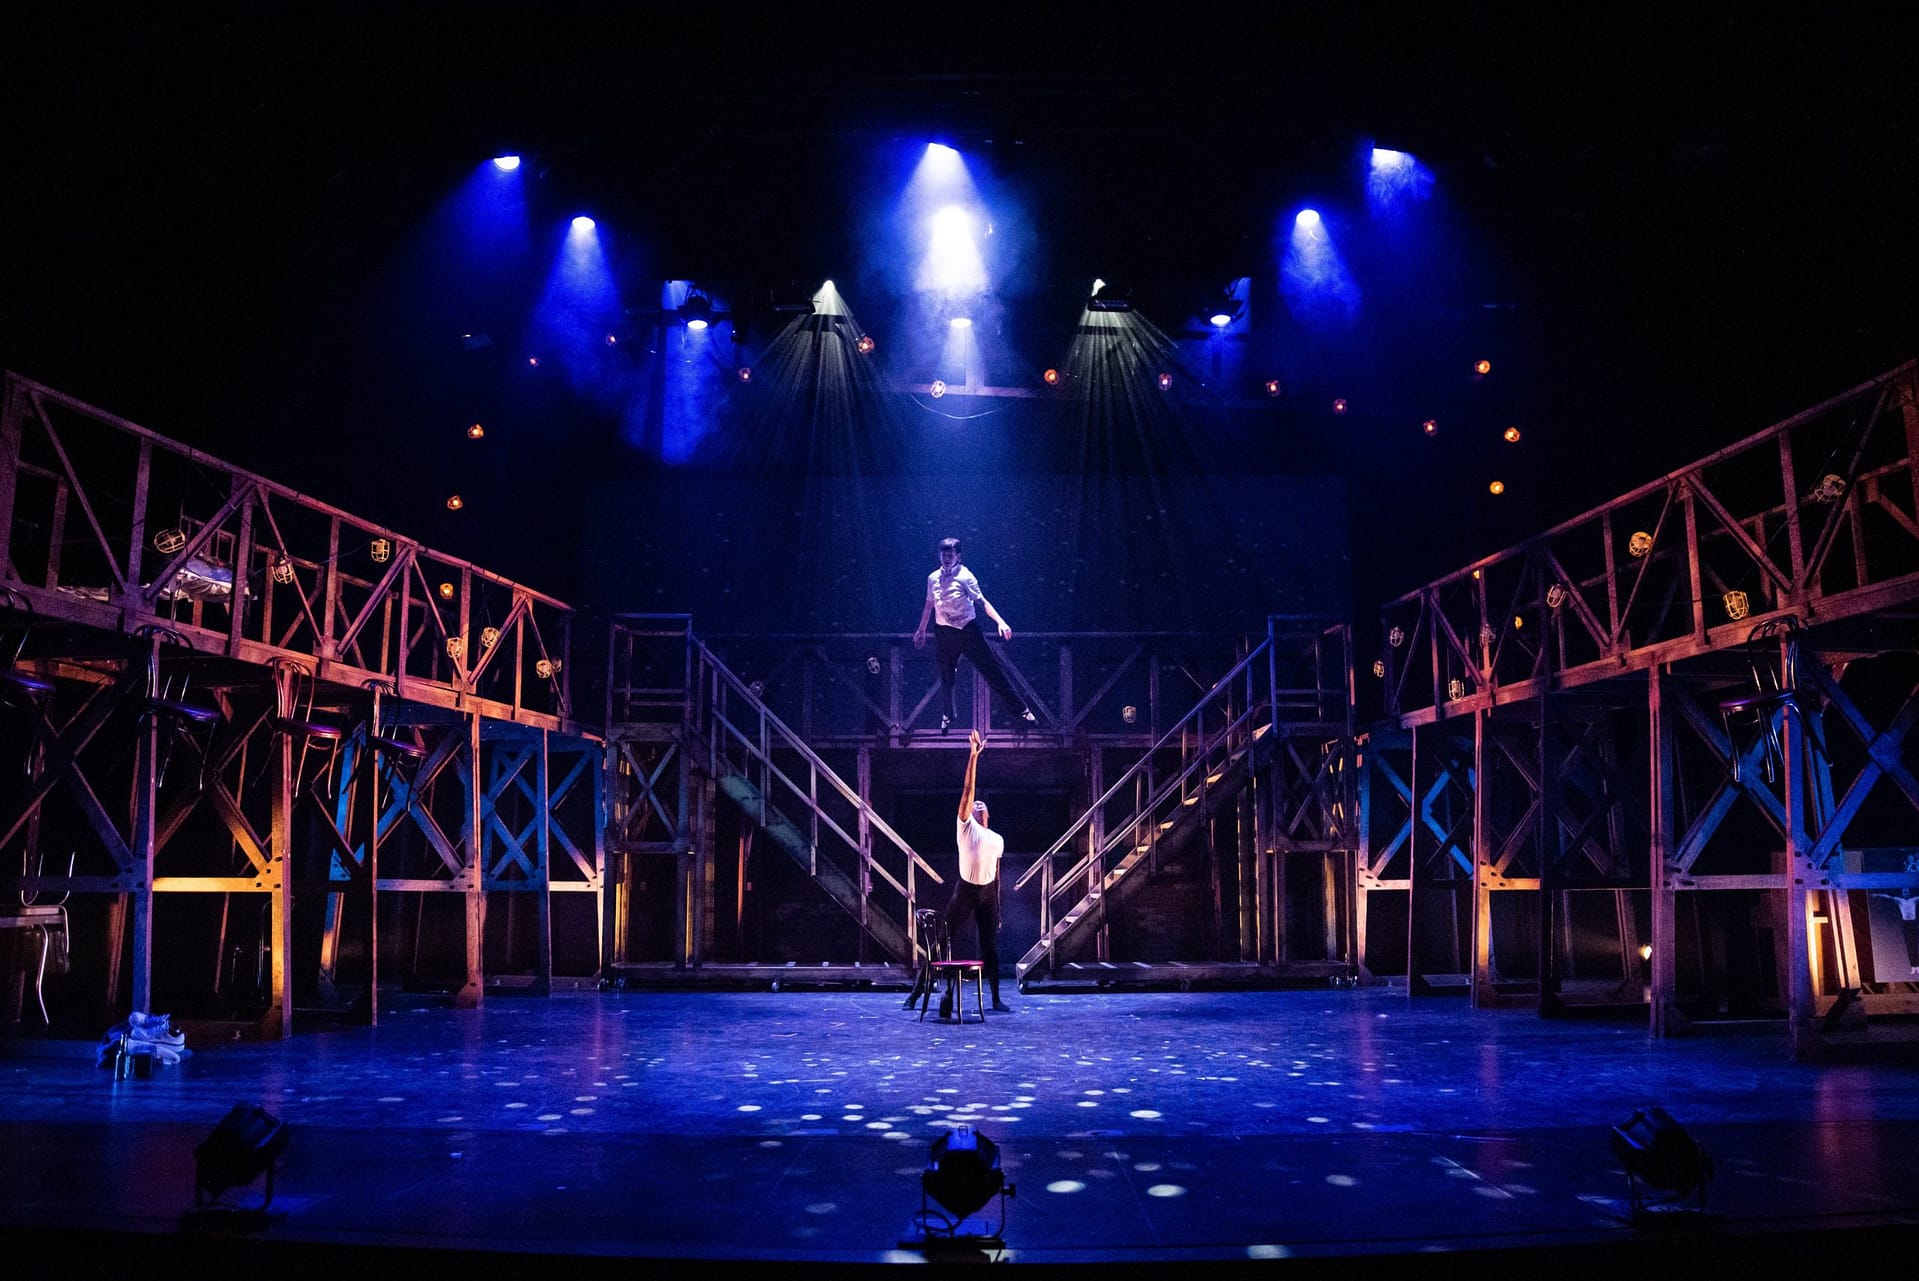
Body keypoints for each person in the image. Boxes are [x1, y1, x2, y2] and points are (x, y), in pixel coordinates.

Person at [913, 536, 1038, 732]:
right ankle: (948, 714)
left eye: (950, 555)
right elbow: (929, 605)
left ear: (958, 556)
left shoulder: (965, 576)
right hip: (944, 631)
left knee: (992, 670)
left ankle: (1021, 709)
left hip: (967, 629)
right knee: (946, 675)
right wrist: (921, 630)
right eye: (944, 555)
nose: (947, 559)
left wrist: (1000, 621)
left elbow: (982, 602)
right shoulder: (933, 578)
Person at [940, 728, 1013, 1016]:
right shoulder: (965, 826)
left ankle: (995, 999)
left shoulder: (997, 839)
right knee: (942, 941)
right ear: (970, 812)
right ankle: (918, 991)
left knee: (990, 947)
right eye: (975, 805)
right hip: (965, 890)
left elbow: (997, 875)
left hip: (987, 893)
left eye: (983, 805)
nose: (978, 804)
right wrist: (973, 756)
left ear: (988, 815)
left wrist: (998, 909)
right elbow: (968, 790)